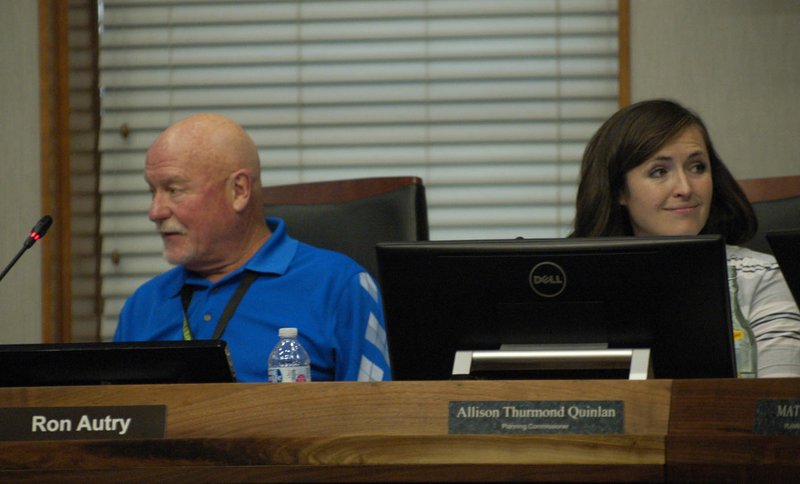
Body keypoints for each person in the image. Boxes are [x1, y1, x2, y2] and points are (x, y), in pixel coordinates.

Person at [113, 113, 391, 382]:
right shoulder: (143, 305)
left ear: (239, 191)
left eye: (174, 190)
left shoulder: (341, 288)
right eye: (153, 192)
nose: (155, 211)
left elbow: (379, 419)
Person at [572, 99, 800, 378]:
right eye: (659, 171)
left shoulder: (762, 277)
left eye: (697, 167)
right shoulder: (579, 285)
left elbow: (775, 407)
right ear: (619, 190)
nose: (685, 187)